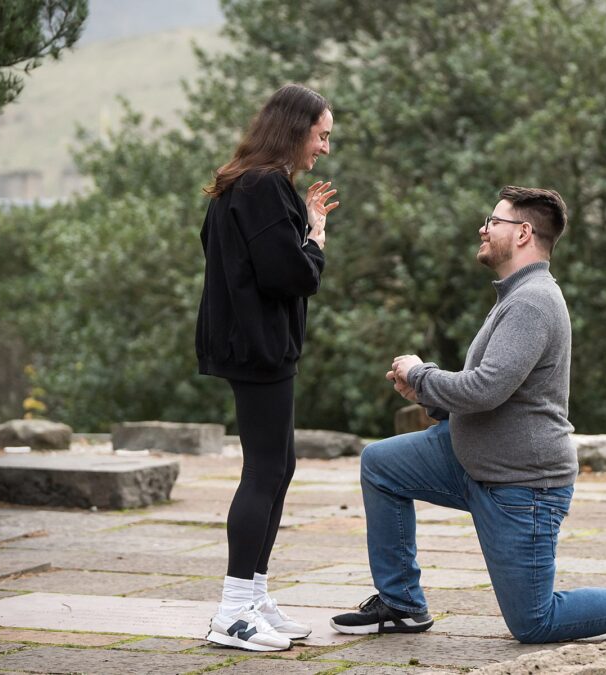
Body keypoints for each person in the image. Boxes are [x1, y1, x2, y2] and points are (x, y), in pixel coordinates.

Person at [330, 186, 606, 643]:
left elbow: (486, 388)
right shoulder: (514, 296)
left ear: (523, 234)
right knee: (381, 465)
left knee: (535, 622)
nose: (483, 228)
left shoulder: (533, 301)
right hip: (468, 458)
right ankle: (402, 603)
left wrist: (422, 375)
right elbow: (497, 389)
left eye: (493, 221)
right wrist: (428, 397)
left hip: (522, 485)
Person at [195, 83, 338, 652]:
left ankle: (253, 595)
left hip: (253, 345)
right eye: (321, 135)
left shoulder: (245, 184)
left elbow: (242, 257)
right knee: (263, 471)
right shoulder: (263, 186)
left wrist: (299, 225)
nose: (323, 148)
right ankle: (232, 611)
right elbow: (293, 276)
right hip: (256, 349)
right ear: (295, 128)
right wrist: (316, 236)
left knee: (281, 465)